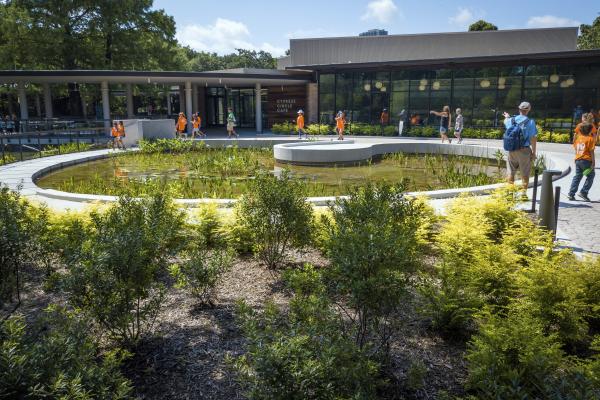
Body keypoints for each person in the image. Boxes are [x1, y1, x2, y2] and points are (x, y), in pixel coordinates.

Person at [502, 101, 538, 199]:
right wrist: (534, 153)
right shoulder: (530, 122)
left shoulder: (511, 120)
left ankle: (510, 194)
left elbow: (506, 121)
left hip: (512, 150)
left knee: (510, 172)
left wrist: (507, 117)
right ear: (529, 110)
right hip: (524, 150)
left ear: (519, 109)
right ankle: (523, 194)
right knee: (525, 173)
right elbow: (533, 138)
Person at [568, 121, 595, 202]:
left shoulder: (578, 138)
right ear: (589, 130)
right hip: (586, 160)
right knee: (591, 175)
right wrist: (593, 162)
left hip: (578, 159)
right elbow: (591, 151)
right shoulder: (590, 139)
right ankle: (584, 192)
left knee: (577, 176)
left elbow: (575, 147)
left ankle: (571, 194)